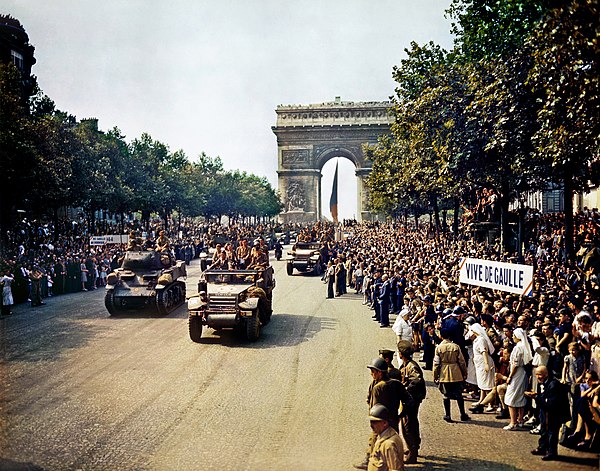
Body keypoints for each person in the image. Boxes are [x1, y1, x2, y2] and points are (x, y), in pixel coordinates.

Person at [527, 365, 571, 461]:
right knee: (543, 429)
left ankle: (552, 452)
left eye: (540, 374)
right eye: (536, 375)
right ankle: (542, 447)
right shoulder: (541, 383)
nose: (538, 377)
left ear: (546, 374)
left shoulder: (554, 384)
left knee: (552, 432)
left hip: (554, 412)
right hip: (544, 410)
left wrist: (536, 397)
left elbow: (551, 403)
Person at [397, 340, 426, 464]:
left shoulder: (411, 366)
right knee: (409, 423)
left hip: (412, 400)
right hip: (410, 399)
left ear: (401, 354)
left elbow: (417, 381)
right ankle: (413, 448)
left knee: (409, 425)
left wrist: (406, 389)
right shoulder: (406, 365)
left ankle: (412, 453)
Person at [433, 328, 470, 422]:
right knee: (459, 394)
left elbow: (436, 364)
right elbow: (462, 362)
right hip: (456, 372)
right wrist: (464, 373)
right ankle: (462, 414)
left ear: (441, 336)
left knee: (446, 395)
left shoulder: (439, 348)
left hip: (444, 372)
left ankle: (448, 415)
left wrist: (435, 375)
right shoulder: (456, 347)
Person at [503, 327, 533, 430]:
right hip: (523, 373)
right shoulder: (524, 346)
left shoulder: (517, 348)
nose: (512, 337)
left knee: (511, 397)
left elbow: (515, 364)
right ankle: (520, 420)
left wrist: (510, 376)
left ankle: (513, 422)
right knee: (520, 396)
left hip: (516, 374)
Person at [366, 404, 405, 471]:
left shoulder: (388, 444)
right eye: (371, 421)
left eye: (374, 422)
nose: (371, 425)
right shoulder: (383, 435)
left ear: (384, 423)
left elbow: (394, 469)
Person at [468, 323, 496, 414]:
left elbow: (484, 352)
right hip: (479, 363)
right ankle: (481, 400)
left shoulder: (481, 340)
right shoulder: (476, 340)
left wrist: (486, 364)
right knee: (482, 384)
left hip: (484, 362)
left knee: (487, 384)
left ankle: (490, 404)